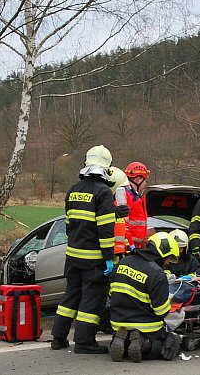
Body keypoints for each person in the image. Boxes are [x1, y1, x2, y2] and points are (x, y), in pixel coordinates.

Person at [50, 145, 129, 354]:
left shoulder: (74, 190)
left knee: (71, 295)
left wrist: (114, 213)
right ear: (107, 167)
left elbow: (71, 224)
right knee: (91, 298)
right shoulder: (103, 192)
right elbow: (104, 230)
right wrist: (109, 259)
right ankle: (84, 342)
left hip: (73, 255)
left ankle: (58, 338)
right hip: (94, 259)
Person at [108, 232, 182, 363]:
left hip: (118, 322)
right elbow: (161, 311)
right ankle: (144, 344)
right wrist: (168, 302)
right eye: (168, 259)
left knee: (126, 333)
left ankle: (121, 341)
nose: (167, 263)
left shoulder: (122, 263)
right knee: (165, 344)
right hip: (146, 326)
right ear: (163, 253)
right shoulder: (157, 273)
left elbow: (110, 294)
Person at [124, 161, 150, 249]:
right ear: (138, 180)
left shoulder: (135, 196)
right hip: (129, 246)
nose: (145, 184)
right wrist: (131, 246)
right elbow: (123, 224)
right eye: (144, 180)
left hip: (136, 245)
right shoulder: (127, 196)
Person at [109, 166, 131, 259]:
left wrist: (129, 247)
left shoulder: (117, 210)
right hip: (107, 259)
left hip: (118, 258)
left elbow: (121, 235)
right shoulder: (104, 210)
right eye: (121, 190)